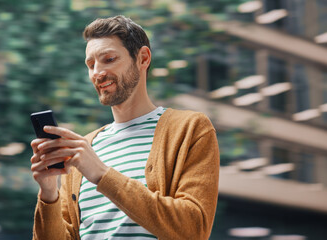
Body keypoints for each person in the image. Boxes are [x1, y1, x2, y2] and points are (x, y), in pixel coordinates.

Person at [30, 15, 219, 240]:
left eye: (109, 59)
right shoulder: (83, 150)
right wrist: (49, 193)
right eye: (91, 65)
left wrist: (102, 174)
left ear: (143, 58)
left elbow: (194, 230)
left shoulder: (190, 129)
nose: (97, 73)